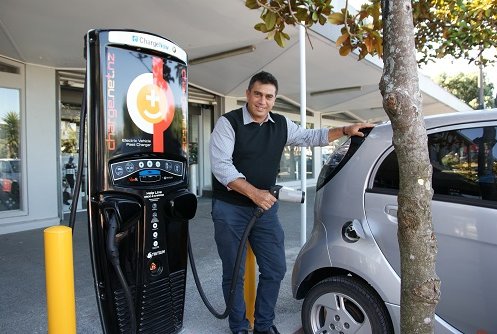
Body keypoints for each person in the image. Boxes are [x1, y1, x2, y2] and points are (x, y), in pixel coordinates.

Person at [209, 71, 374, 334]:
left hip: (264, 210)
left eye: (269, 96)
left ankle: (263, 325)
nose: (262, 101)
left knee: (274, 268)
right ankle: (239, 327)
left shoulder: (281, 125)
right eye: (258, 94)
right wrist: (255, 194)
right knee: (234, 274)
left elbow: (312, 137)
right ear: (248, 95)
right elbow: (222, 168)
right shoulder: (228, 124)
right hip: (231, 209)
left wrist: (345, 129)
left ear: (274, 99)